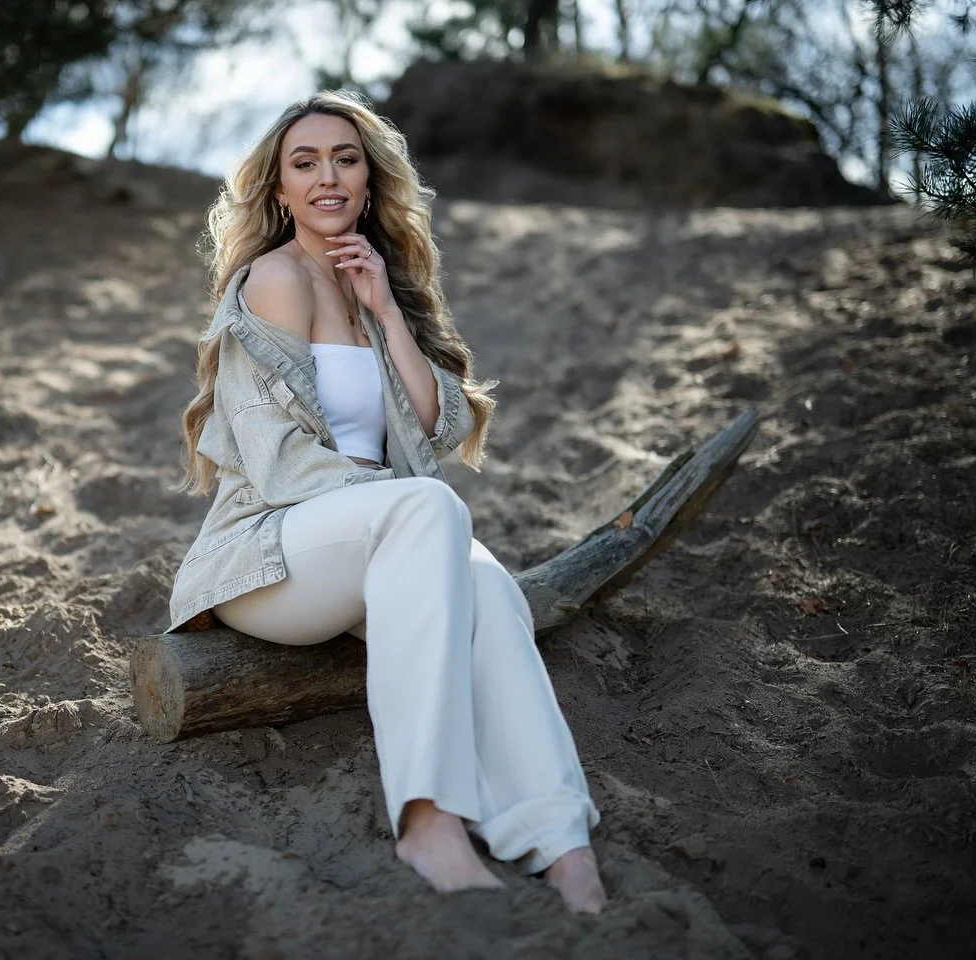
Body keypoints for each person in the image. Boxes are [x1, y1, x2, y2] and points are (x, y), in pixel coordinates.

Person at [165, 90, 606, 911]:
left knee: (490, 587)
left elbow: (437, 434)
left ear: (370, 181)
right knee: (430, 510)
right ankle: (427, 818)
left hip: (376, 541)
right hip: (275, 558)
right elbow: (277, 464)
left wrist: (387, 319)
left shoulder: (373, 285)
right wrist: (402, 505)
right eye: (305, 163)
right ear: (279, 192)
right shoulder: (273, 280)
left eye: (346, 158)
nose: (327, 176)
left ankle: (560, 837)